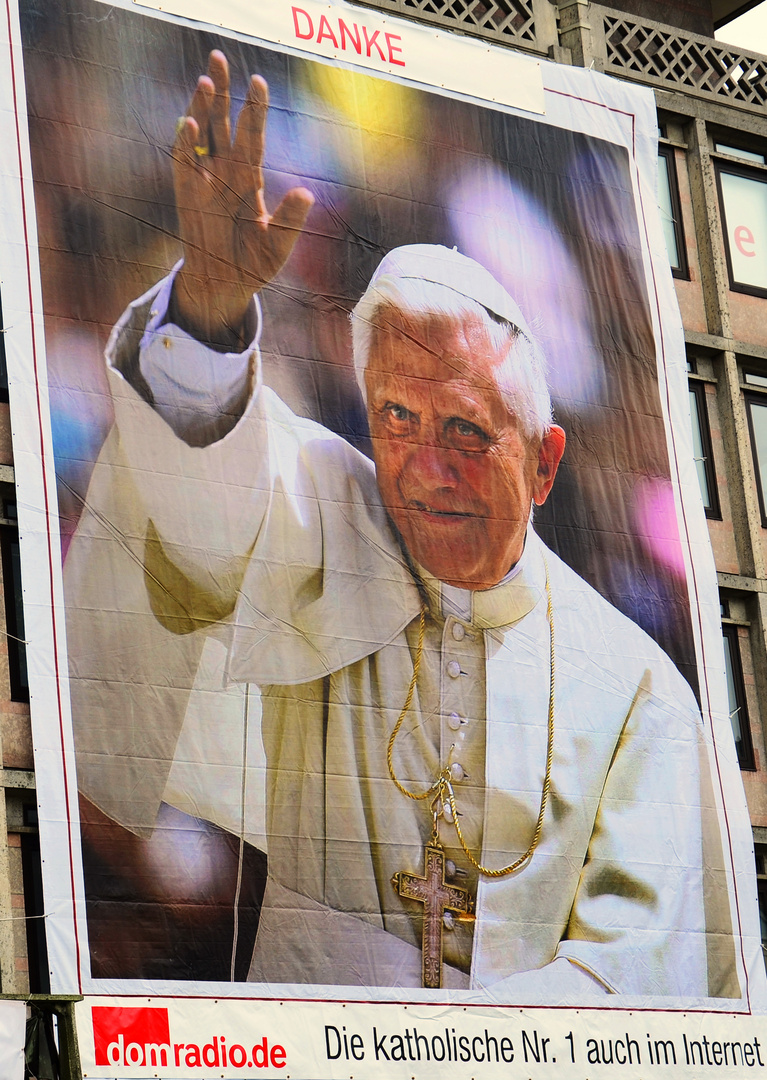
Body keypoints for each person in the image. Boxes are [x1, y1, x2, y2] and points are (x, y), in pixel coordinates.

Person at [66, 51, 738, 999]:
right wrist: (211, 322)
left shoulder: (639, 699)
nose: (425, 467)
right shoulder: (333, 531)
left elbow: (637, 984)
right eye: (395, 420)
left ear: (543, 463)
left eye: (464, 430)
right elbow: (205, 505)